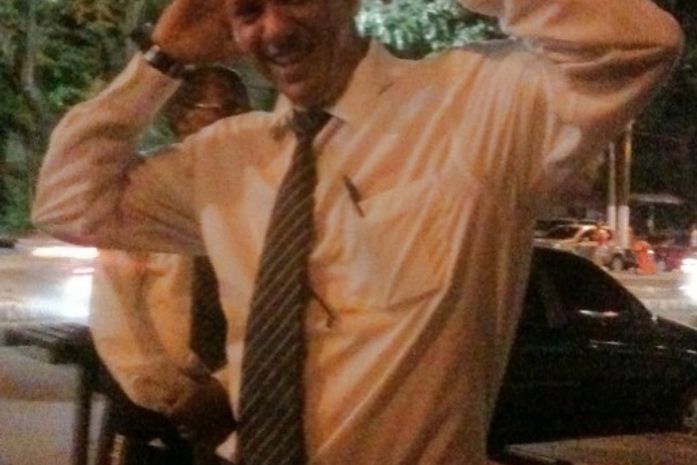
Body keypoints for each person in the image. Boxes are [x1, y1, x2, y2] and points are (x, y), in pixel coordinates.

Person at [33, 0, 682, 464]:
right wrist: (161, 58)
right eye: (249, 10)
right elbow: (69, 203)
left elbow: (637, 41)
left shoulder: (474, 105)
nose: (273, 29)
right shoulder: (225, 158)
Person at [89, 65, 250, 464]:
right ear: (179, 117)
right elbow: (117, 308)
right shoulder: (147, 188)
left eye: (242, 109)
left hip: (238, 397)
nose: (235, 120)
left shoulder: (259, 193)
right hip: (156, 400)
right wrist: (172, 395)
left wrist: (226, 388)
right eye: (219, 108)